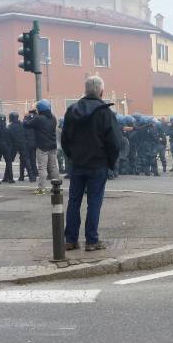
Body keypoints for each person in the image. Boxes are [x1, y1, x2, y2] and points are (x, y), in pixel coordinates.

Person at [61, 76, 123, 252]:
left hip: (78, 164)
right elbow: (115, 142)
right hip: (98, 164)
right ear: (101, 91)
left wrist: (72, 157)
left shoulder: (72, 111)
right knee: (94, 202)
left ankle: (70, 240)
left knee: (74, 201)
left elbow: (64, 138)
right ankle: (91, 240)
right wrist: (110, 162)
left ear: (85, 90)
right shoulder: (105, 112)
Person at [24, 100, 58, 195]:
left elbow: (26, 124)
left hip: (42, 146)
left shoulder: (39, 118)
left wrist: (27, 116)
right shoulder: (53, 118)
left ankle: (42, 188)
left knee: (42, 168)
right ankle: (56, 187)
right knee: (53, 167)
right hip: (52, 145)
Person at [8, 111, 28, 182]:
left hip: (14, 145)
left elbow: (9, 137)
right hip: (22, 144)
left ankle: (8, 177)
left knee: (9, 161)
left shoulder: (10, 126)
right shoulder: (22, 124)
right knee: (24, 160)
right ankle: (24, 176)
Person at [0, 114, 14, 183]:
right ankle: (10, 178)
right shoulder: (7, 129)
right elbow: (11, 139)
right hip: (6, 146)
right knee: (9, 162)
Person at [23, 110, 39, 182]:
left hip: (27, 143)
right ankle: (35, 174)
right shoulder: (35, 122)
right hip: (34, 143)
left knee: (27, 159)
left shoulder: (26, 123)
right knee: (33, 159)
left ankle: (31, 175)